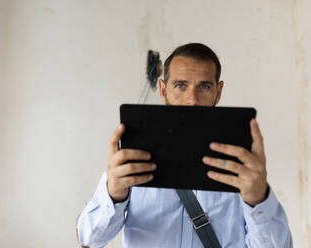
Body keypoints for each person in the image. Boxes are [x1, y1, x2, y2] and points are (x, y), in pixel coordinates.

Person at [76, 43, 293, 247]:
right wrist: (113, 194)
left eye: (204, 86)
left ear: (218, 92)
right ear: (163, 90)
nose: (192, 99)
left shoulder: (239, 160)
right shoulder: (135, 155)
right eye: (180, 85)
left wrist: (259, 199)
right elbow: (89, 239)